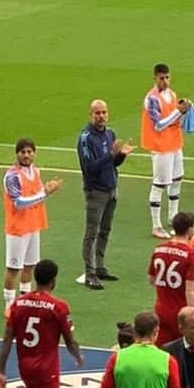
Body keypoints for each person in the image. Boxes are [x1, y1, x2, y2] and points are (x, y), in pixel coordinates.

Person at [0, 258, 82, 388]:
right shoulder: (59, 307)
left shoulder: (18, 304)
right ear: (53, 280)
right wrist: (77, 356)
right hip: (46, 371)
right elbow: (70, 340)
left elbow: (7, 338)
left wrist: (1, 370)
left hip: (25, 368)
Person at [77, 99, 132, 290]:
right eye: (97, 113)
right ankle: (90, 273)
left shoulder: (110, 134)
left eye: (104, 112)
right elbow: (88, 168)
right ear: (90, 115)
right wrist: (110, 154)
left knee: (105, 230)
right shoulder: (86, 138)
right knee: (91, 232)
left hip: (111, 188)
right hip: (96, 191)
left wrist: (121, 155)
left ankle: (99, 266)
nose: (101, 116)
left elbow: (113, 163)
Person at [3, 138, 62, 310]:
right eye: (23, 152)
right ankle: (9, 305)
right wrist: (45, 193)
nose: (27, 155)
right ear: (17, 154)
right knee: (13, 268)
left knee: (29, 266)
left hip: (33, 225)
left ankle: (25, 300)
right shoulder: (12, 175)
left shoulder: (35, 172)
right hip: (17, 229)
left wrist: (46, 189)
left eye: (30, 152)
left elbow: (37, 192)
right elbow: (19, 203)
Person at [141, 63, 192, 237]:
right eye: (162, 78)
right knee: (159, 184)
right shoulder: (151, 99)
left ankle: (173, 217)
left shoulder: (171, 94)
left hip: (175, 143)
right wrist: (179, 112)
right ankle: (156, 226)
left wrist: (184, 111)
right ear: (155, 78)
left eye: (167, 77)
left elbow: (174, 118)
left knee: (177, 179)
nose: (165, 81)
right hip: (160, 146)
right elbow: (159, 124)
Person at [149, 211, 194, 346]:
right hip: (181, 314)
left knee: (161, 350)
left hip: (160, 309)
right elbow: (190, 290)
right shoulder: (191, 255)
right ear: (190, 230)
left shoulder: (158, 249)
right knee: (184, 351)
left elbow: (151, 280)